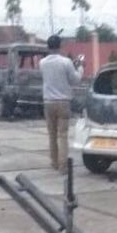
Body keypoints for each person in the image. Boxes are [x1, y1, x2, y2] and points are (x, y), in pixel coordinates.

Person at [39, 35, 83, 173]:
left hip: (48, 102)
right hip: (63, 102)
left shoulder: (42, 63)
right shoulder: (66, 62)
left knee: (52, 134)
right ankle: (63, 166)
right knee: (62, 135)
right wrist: (80, 68)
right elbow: (75, 80)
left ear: (48, 46)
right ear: (60, 46)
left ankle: (54, 162)